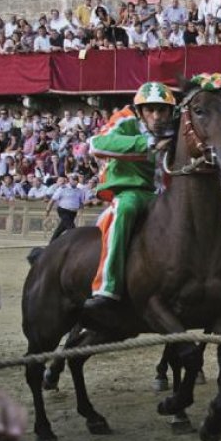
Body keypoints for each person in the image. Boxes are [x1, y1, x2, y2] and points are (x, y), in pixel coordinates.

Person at [83, 81, 176, 315]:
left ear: (170, 111)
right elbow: (96, 144)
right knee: (125, 207)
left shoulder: (178, 126)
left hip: (170, 195)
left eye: (162, 109)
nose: (156, 115)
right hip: (133, 193)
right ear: (139, 112)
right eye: (149, 110)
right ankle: (107, 288)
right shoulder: (124, 119)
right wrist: (148, 143)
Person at [45, 174, 86, 242]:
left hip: (73, 212)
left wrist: (81, 212)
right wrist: (47, 210)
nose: (75, 182)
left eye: (76, 180)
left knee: (61, 228)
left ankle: (52, 242)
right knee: (71, 228)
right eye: (73, 180)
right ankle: (76, 242)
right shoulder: (63, 188)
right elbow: (52, 200)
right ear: (70, 180)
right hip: (63, 210)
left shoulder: (80, 191)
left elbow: (81, 203)